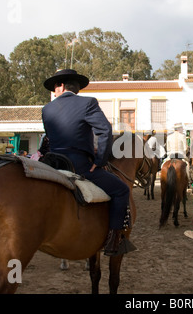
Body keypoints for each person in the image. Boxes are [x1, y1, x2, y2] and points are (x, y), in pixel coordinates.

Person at [42, 69, 135, 256]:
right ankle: (113, 240)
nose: (54, 91)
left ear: (61, 86)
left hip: (52, 164)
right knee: (122, 190)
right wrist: (100, 160)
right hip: (79, 165)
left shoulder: (46, 109)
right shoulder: (88, 103)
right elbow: (105, 131)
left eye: (55, 87)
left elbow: (53, 139)